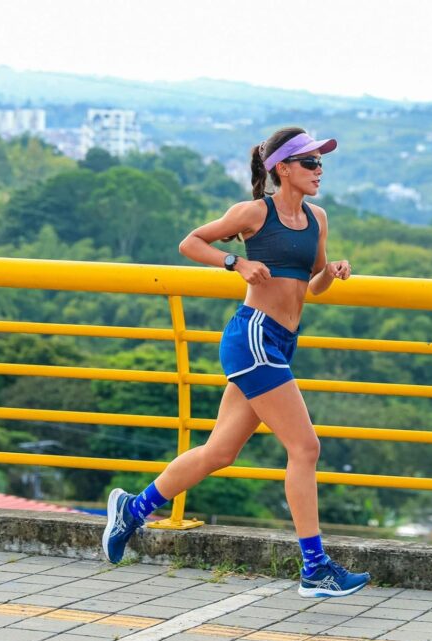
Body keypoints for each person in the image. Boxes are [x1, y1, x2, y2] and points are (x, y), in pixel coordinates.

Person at [101, 127, 370, 598]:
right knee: (306, 449)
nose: (319, 170)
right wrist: (235, 263)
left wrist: (333, 272)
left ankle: (133, 509)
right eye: (310, 162)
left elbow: (312, 285)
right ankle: (315, 567)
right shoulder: (253, 213)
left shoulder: (318, 218)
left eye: (321, 162)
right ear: (282, 168)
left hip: (283, 342)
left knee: (220, 453)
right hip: (253, 337)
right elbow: (191, 242)